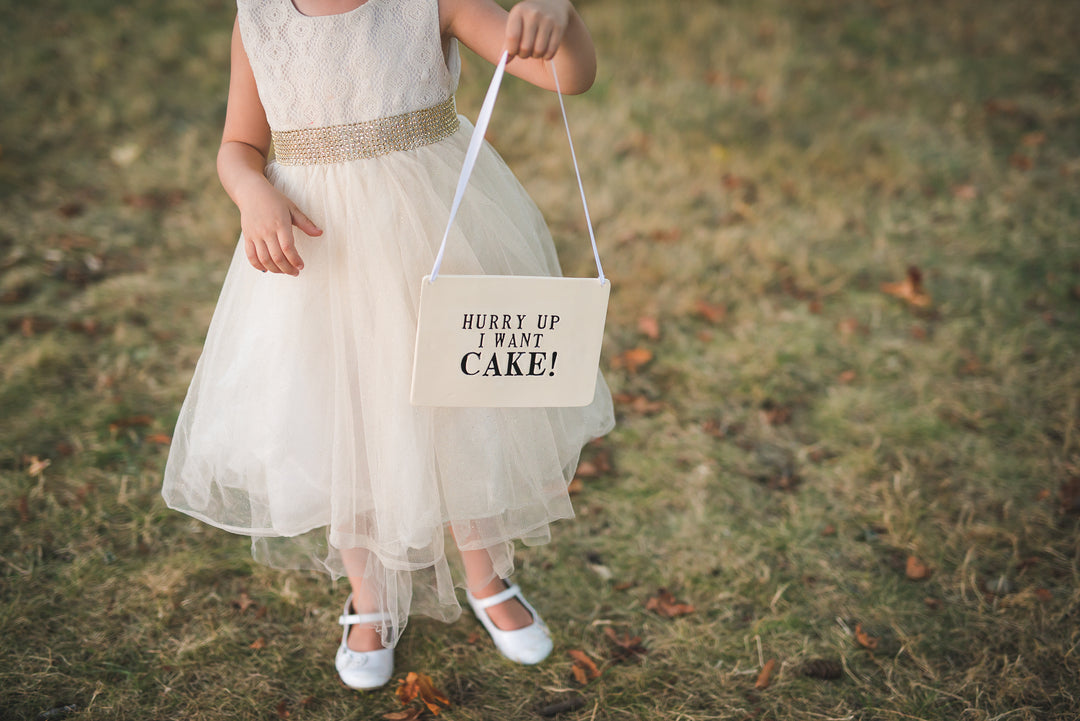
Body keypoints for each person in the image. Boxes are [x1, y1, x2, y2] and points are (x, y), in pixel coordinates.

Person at [161, 0, 614, 691]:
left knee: (463, 401)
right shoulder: (260, 18)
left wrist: (561, 16)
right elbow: (239, 145)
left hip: (437, 231)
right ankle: (368, 597)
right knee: (345, 416)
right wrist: (251, 190)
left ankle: (487, 577)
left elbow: (567, 76)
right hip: (321, 253)